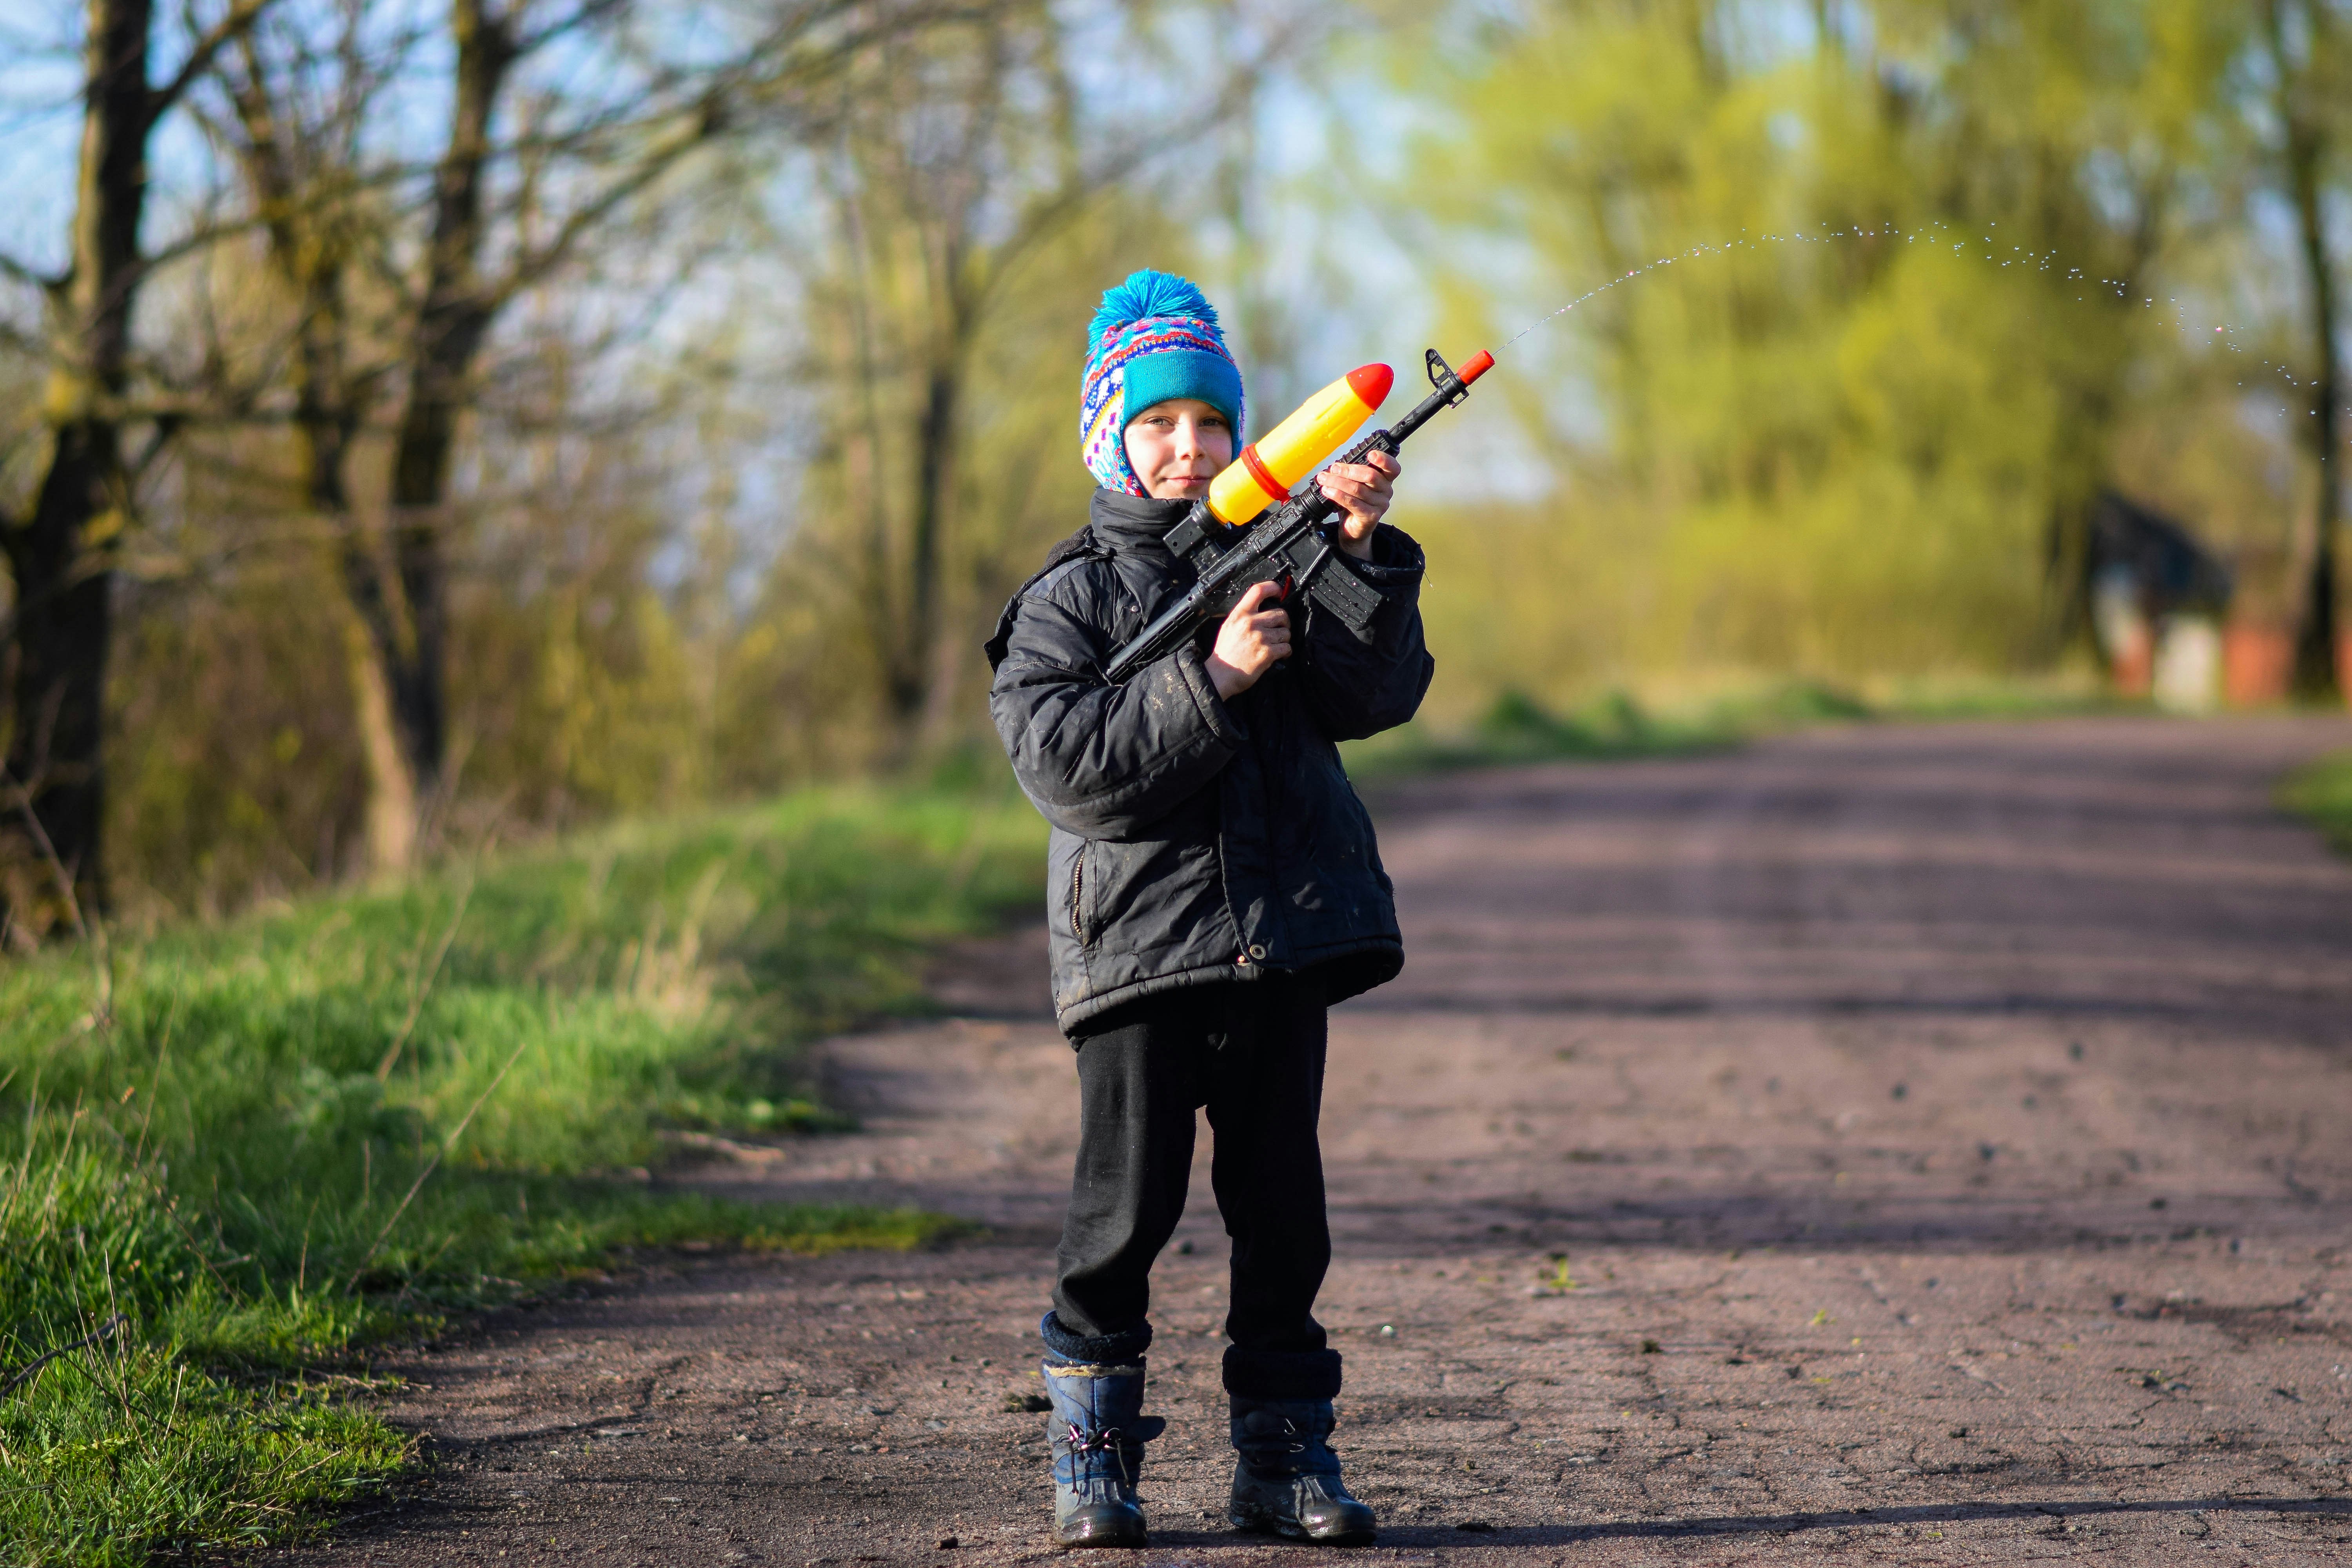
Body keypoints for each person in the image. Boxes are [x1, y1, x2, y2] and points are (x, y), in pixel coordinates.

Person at [984, 270, 1434, 1549]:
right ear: (1109, 436)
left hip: (1279, 944)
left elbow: (1376, 695)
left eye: (1213, 425)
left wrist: (1353, 555)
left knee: (1284, 1217)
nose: (1190, 450)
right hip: (1138, 959)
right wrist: (1217, 678)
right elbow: (1071, 767)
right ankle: (1094, 1460)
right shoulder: (1066, 599)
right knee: (1122, 1217)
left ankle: (1284, 1459)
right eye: (1160, 425)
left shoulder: (1282, 547)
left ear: (1246, 434)